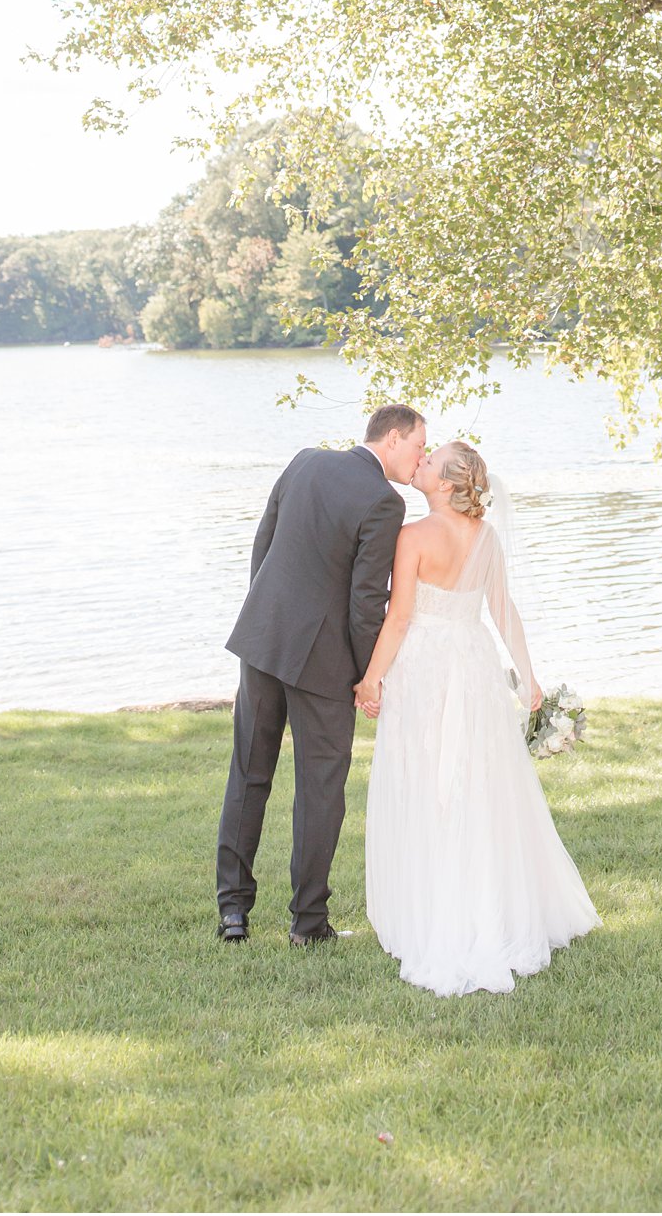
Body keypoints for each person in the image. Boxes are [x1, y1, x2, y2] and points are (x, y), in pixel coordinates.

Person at [357, 438, 600, 994]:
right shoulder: (485, 538)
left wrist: (371, 679)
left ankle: (437, 906)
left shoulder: (412, 536)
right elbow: (502, 610)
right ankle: (479, 899)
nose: (419, 463)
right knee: (475, 781)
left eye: (429, 460)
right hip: (472, 664)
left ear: (445, 483)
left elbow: (398, 620)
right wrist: (527, 676)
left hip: (423, 667)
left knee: (426, 780)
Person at [215, 403, 426, 945]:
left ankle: (233, 912)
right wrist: (367, 676)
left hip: (263, 639)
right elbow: (364, 603)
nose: (421, 458)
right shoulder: (385, 501)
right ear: (394, 437)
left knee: (249, 773)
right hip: (325, 662)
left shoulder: (305, 461)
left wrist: (266, 612)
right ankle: (308, 924)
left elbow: (263, 544)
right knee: (320, 791)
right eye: (420, 446)